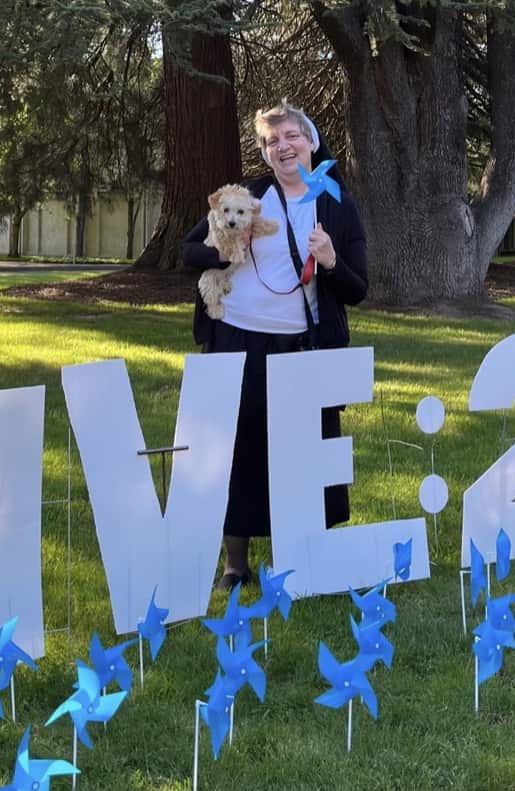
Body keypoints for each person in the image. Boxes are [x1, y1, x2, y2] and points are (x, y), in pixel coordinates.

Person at [181, 99, 369, 590]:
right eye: (271, 141)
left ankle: (306, 554)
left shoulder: (337, 203)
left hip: (302, 347)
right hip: (236, 340)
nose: (282, 147)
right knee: (235, 450)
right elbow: (187, 251)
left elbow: (358, 288)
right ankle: (234, 565)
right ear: (265, 154)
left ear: (310, 141)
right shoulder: (248, 196)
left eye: (290, 136)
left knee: (305, 452)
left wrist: (329, 260)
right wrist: (224, 251)